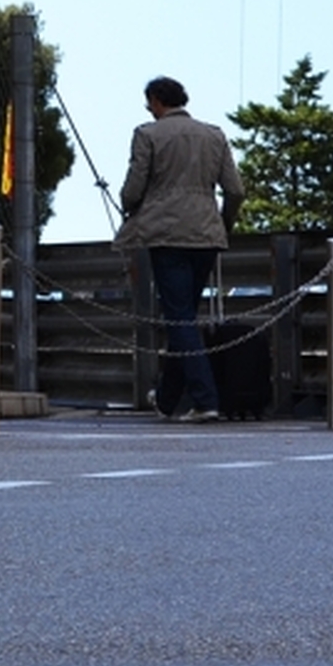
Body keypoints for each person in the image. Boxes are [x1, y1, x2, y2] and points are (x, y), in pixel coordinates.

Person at [114, 76, 244, 422]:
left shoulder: (147, 134)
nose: (149, 110)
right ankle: (168, 399)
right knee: (182, 316)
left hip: (166, 234)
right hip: (206, 235)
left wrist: (128, 206)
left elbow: (133, 188)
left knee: (179, 317)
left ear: (157, 100)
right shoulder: (214, 134)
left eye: (149, 104)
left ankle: (205, 400)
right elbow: (235, 190)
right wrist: (221, 225)